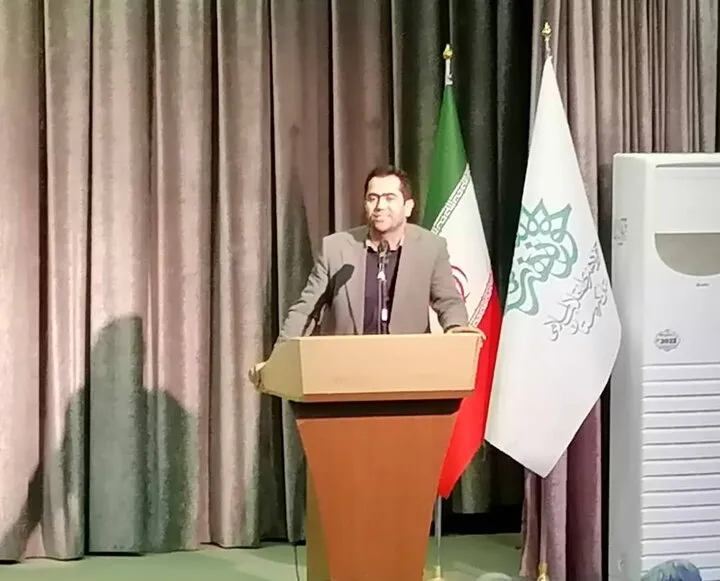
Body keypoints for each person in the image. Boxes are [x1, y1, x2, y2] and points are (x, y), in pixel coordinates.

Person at [250, 165, 469, 381]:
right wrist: (279, 360)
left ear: (408, 207)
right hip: (346, 374)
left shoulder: (431, 247)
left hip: (408, 372)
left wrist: (457, 329)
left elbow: (448, 301)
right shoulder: (336, 249)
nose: (380, 206)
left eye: (389, 198)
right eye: (373, 198)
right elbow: (306, 310)